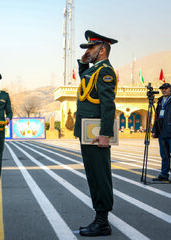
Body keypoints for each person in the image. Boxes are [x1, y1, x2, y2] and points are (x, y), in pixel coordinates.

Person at [74, 30, 118, 237]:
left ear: (102, 50)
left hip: (96, 133)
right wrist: (83, 63)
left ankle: (102, 222)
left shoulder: (105, 72)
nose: (88, 50)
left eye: (91, 47)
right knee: (93, 175)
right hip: (87, 132)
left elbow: (108, 104)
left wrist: (105, 134)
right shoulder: (95, 70)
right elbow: (85, 82)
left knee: (100, 176)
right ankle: (99, 219)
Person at [151, 83, 171, 182]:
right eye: (162, 89)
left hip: (170, 131)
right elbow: (156, 117)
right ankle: (164, 175)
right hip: (162, 132)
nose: (163, 90)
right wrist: (154, 130)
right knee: (164, 155)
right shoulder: (159, 101)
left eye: (165, 88)